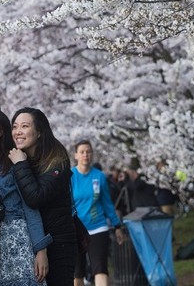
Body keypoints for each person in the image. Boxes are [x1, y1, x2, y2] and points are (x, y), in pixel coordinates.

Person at [0, 107, 51, 286]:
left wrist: (40, 250)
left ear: (0, 131)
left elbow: (30, 207)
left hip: (16, 236)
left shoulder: (12, 160)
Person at [9, 107, 77, 286]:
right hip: (30, 242)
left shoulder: (56, 161)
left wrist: (21, 165)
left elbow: (35, 197)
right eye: (15, 127)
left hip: (58, 244)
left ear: (39, 132)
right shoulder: (19, 159)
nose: (18, 132)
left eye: (24, 126)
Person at [71, 140, 124, 286]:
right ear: (76, 155)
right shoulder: (70, 176)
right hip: (76, 230)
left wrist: (117, 225)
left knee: (100, 269)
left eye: (88, 151)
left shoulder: (99, 176)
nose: (85, 155)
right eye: (82, 152)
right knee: (77, 273)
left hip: (98, 227)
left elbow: (107, 203)